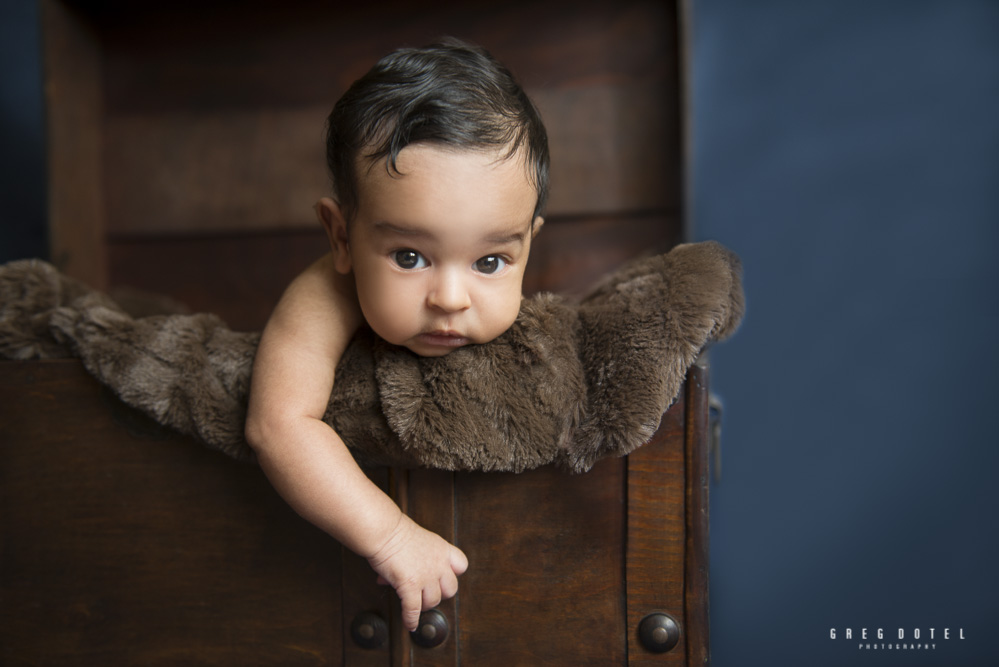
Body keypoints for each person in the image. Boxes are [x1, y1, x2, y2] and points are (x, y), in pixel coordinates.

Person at [244, 38, 550, 633]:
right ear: (340, 237)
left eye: (491, 261)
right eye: (410, 255)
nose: (451, 298)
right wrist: (390, 534)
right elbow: (277, 425)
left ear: (528, 244)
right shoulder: (323, 294)